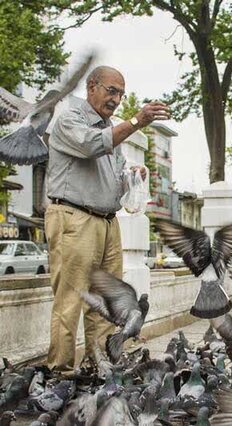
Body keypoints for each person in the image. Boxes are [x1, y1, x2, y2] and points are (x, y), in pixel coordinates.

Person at [44, 65, 170, 375]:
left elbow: (114, 178)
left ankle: (98, 363)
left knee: (105, 301)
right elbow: (90, 145)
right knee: (71, 299)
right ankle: (59, 371)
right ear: (91, 87)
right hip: (74, 217)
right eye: (110, 91)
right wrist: (138, 120)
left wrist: (132, 179)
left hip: (107, 222)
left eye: (120, 94)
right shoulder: (69, 119)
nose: (115, 99)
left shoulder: (110, 128)